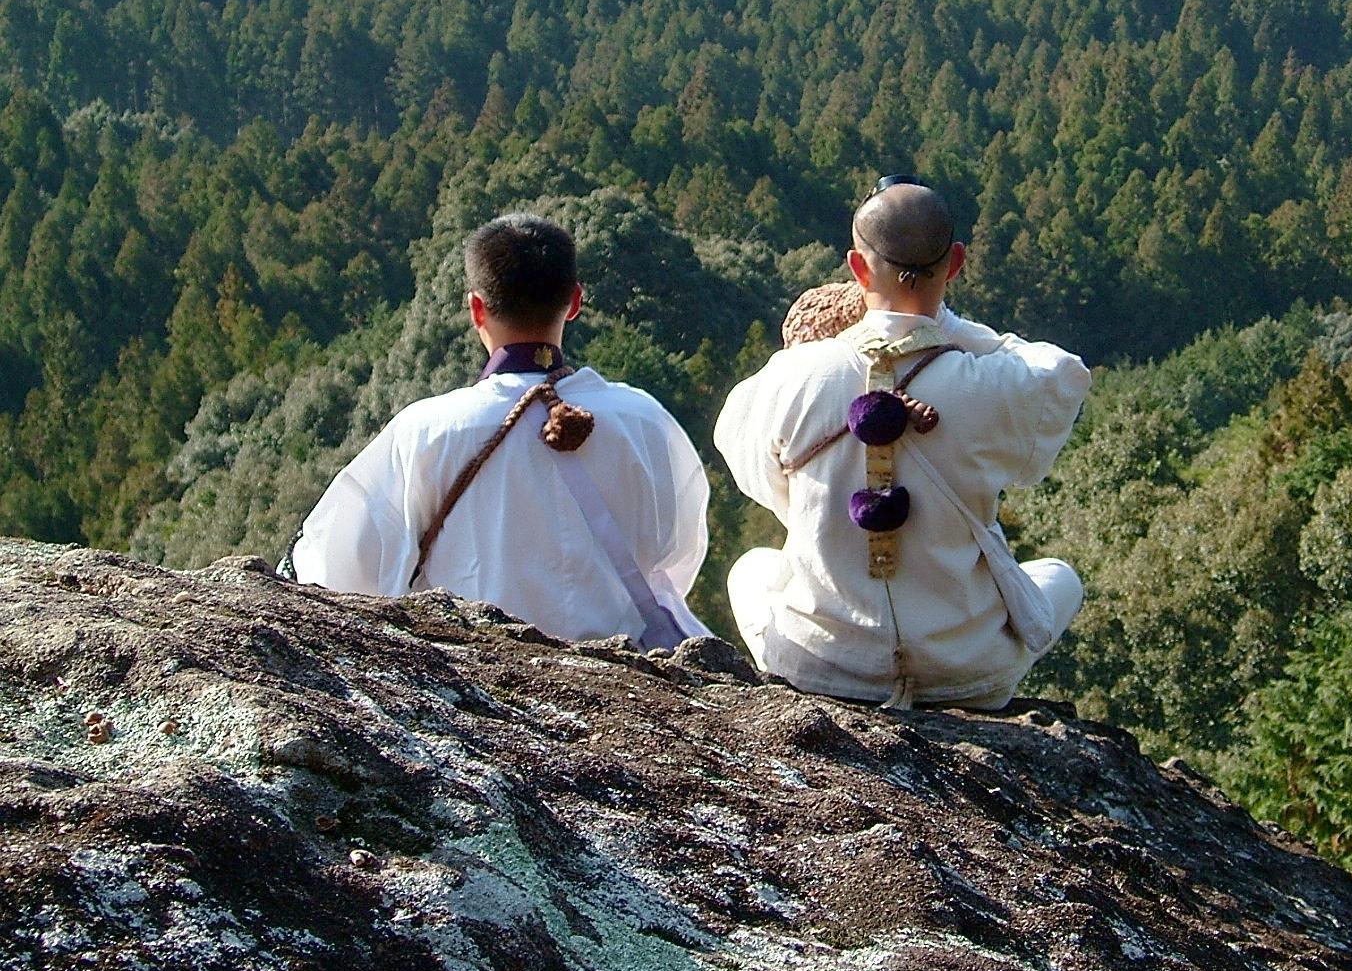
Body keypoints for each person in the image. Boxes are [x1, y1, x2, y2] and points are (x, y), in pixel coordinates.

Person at [714, 178, 1091, 709]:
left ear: (857, 268)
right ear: (956, 263)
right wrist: (943, 326)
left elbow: (761, 480)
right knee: (1061, 578)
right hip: (966, 670)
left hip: (826, 667)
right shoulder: (996, 384)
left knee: (751, 566)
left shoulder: (792, 375)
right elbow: (1063, 372)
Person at [288, 212, 711, 648]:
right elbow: (678, 553)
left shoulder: (428, 431)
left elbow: (342, 567)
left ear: (476, 308)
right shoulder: (643, 419)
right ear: (575, 300)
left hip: (478, 678)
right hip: (630, 672)